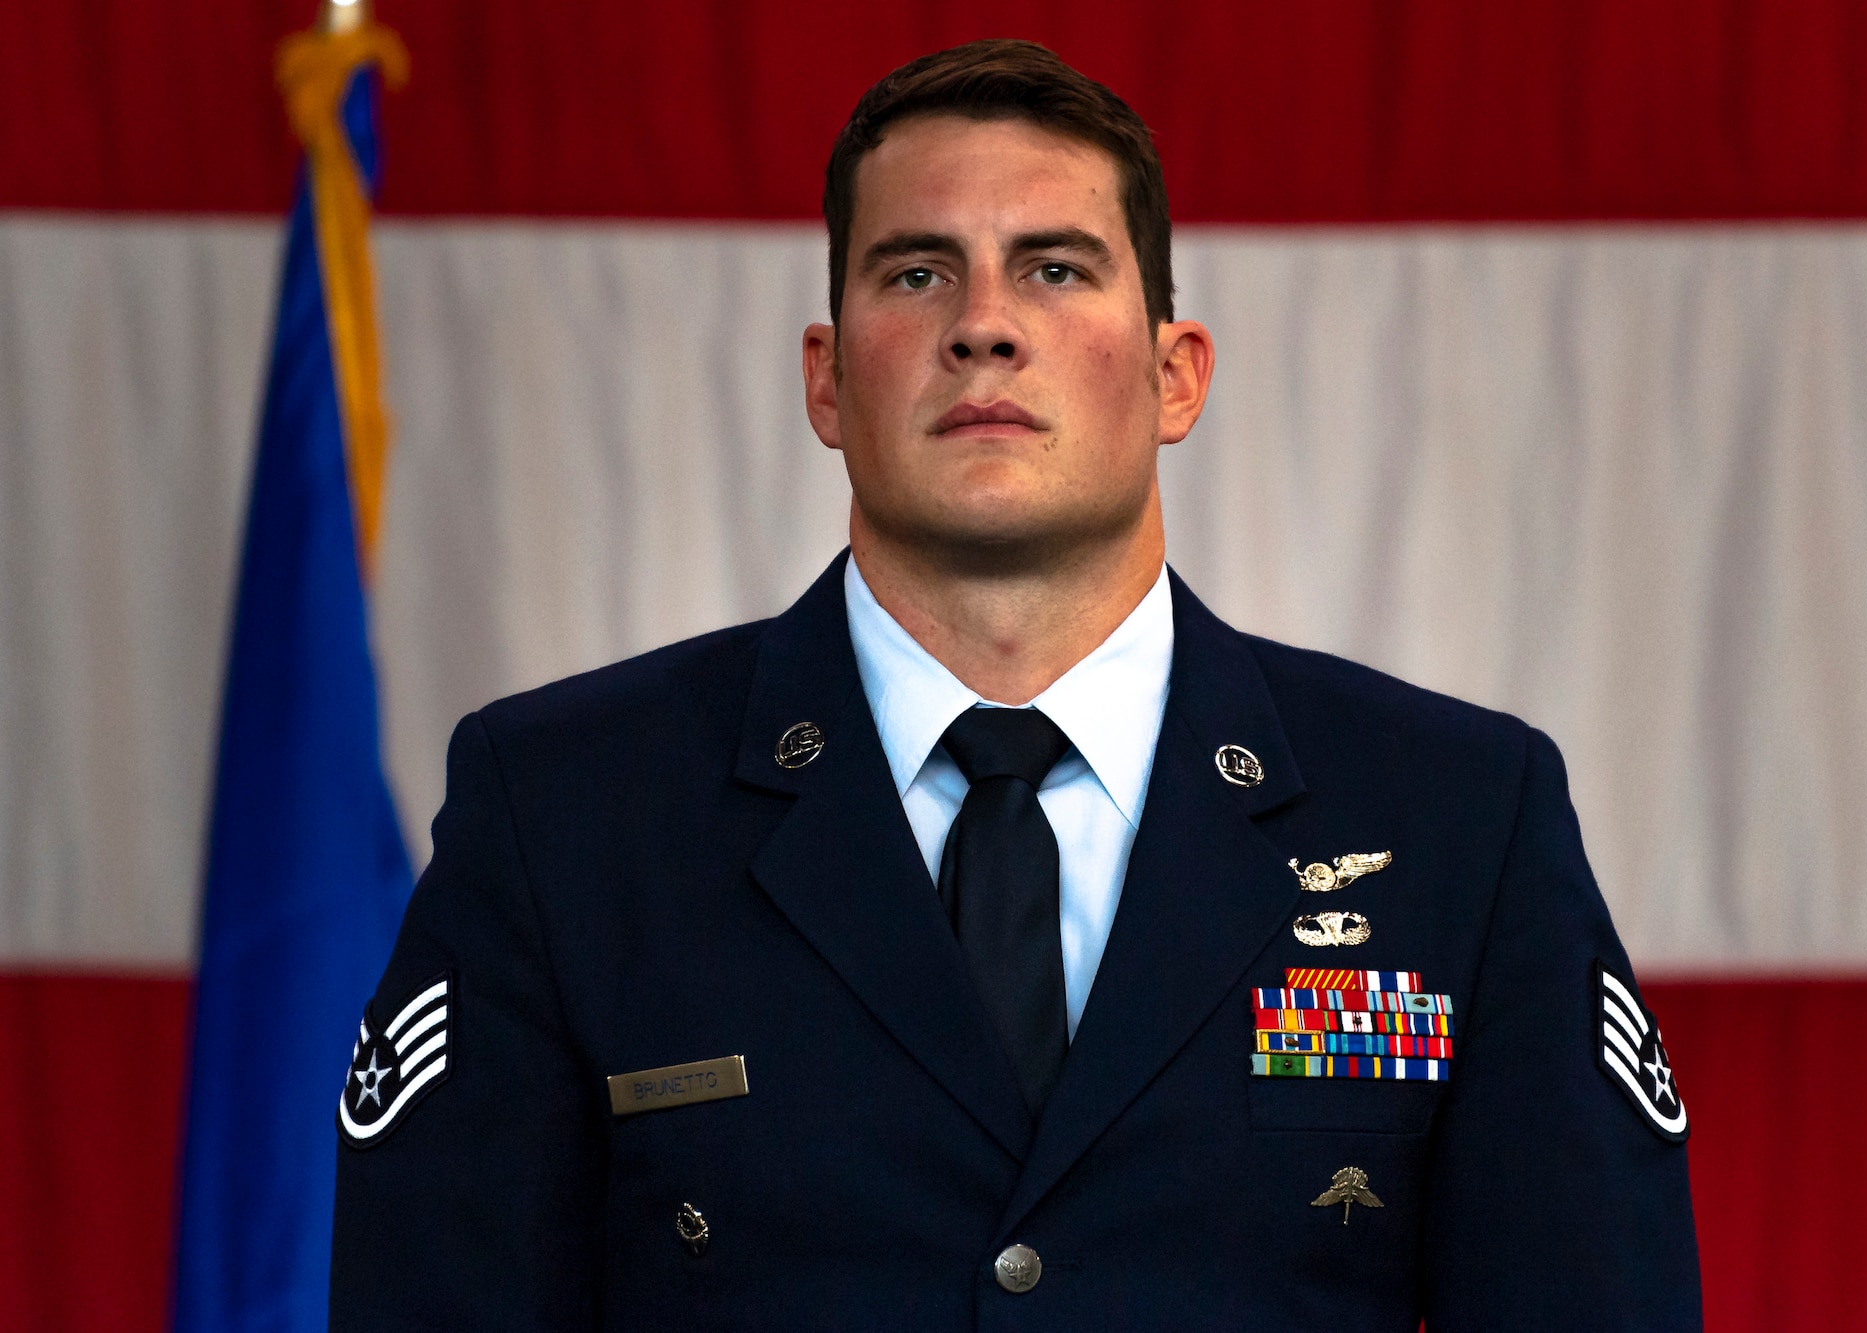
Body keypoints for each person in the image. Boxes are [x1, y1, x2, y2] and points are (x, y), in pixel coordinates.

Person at [331, 39, 1700, 1330]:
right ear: (824, 379)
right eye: (918, 273)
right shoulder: (565, 813)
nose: (984, 324)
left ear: (1175, 375)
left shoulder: (1461, 818)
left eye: (1054, 268)